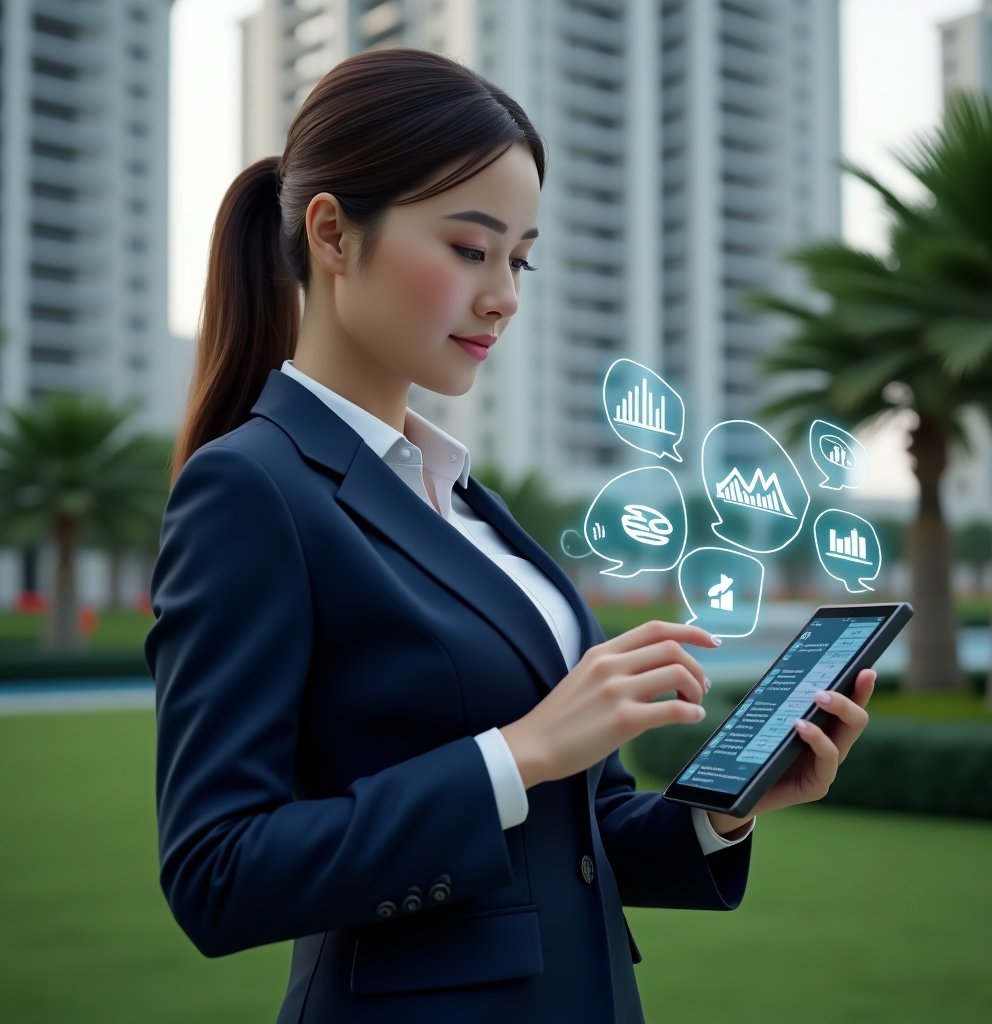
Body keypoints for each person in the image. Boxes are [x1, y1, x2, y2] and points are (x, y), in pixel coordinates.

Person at [146, 48, 874, 1024]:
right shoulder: (249, 487)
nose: (505, 296)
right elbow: (217, 870)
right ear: (331, 233)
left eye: (520, 257)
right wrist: (518, 751)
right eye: (468, 248)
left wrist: (721, 807)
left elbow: (575, 835)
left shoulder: (465, 501)